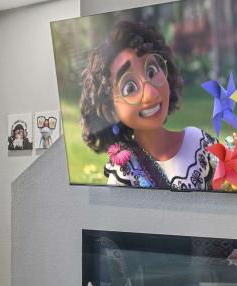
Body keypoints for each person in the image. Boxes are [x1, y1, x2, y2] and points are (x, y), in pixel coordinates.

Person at [78, 19, 214, 189]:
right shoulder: (125, 171)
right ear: (109, 109)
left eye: (151, 71)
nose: (150, 93)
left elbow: (235, 180)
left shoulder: (198, 142)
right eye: (130, 87)